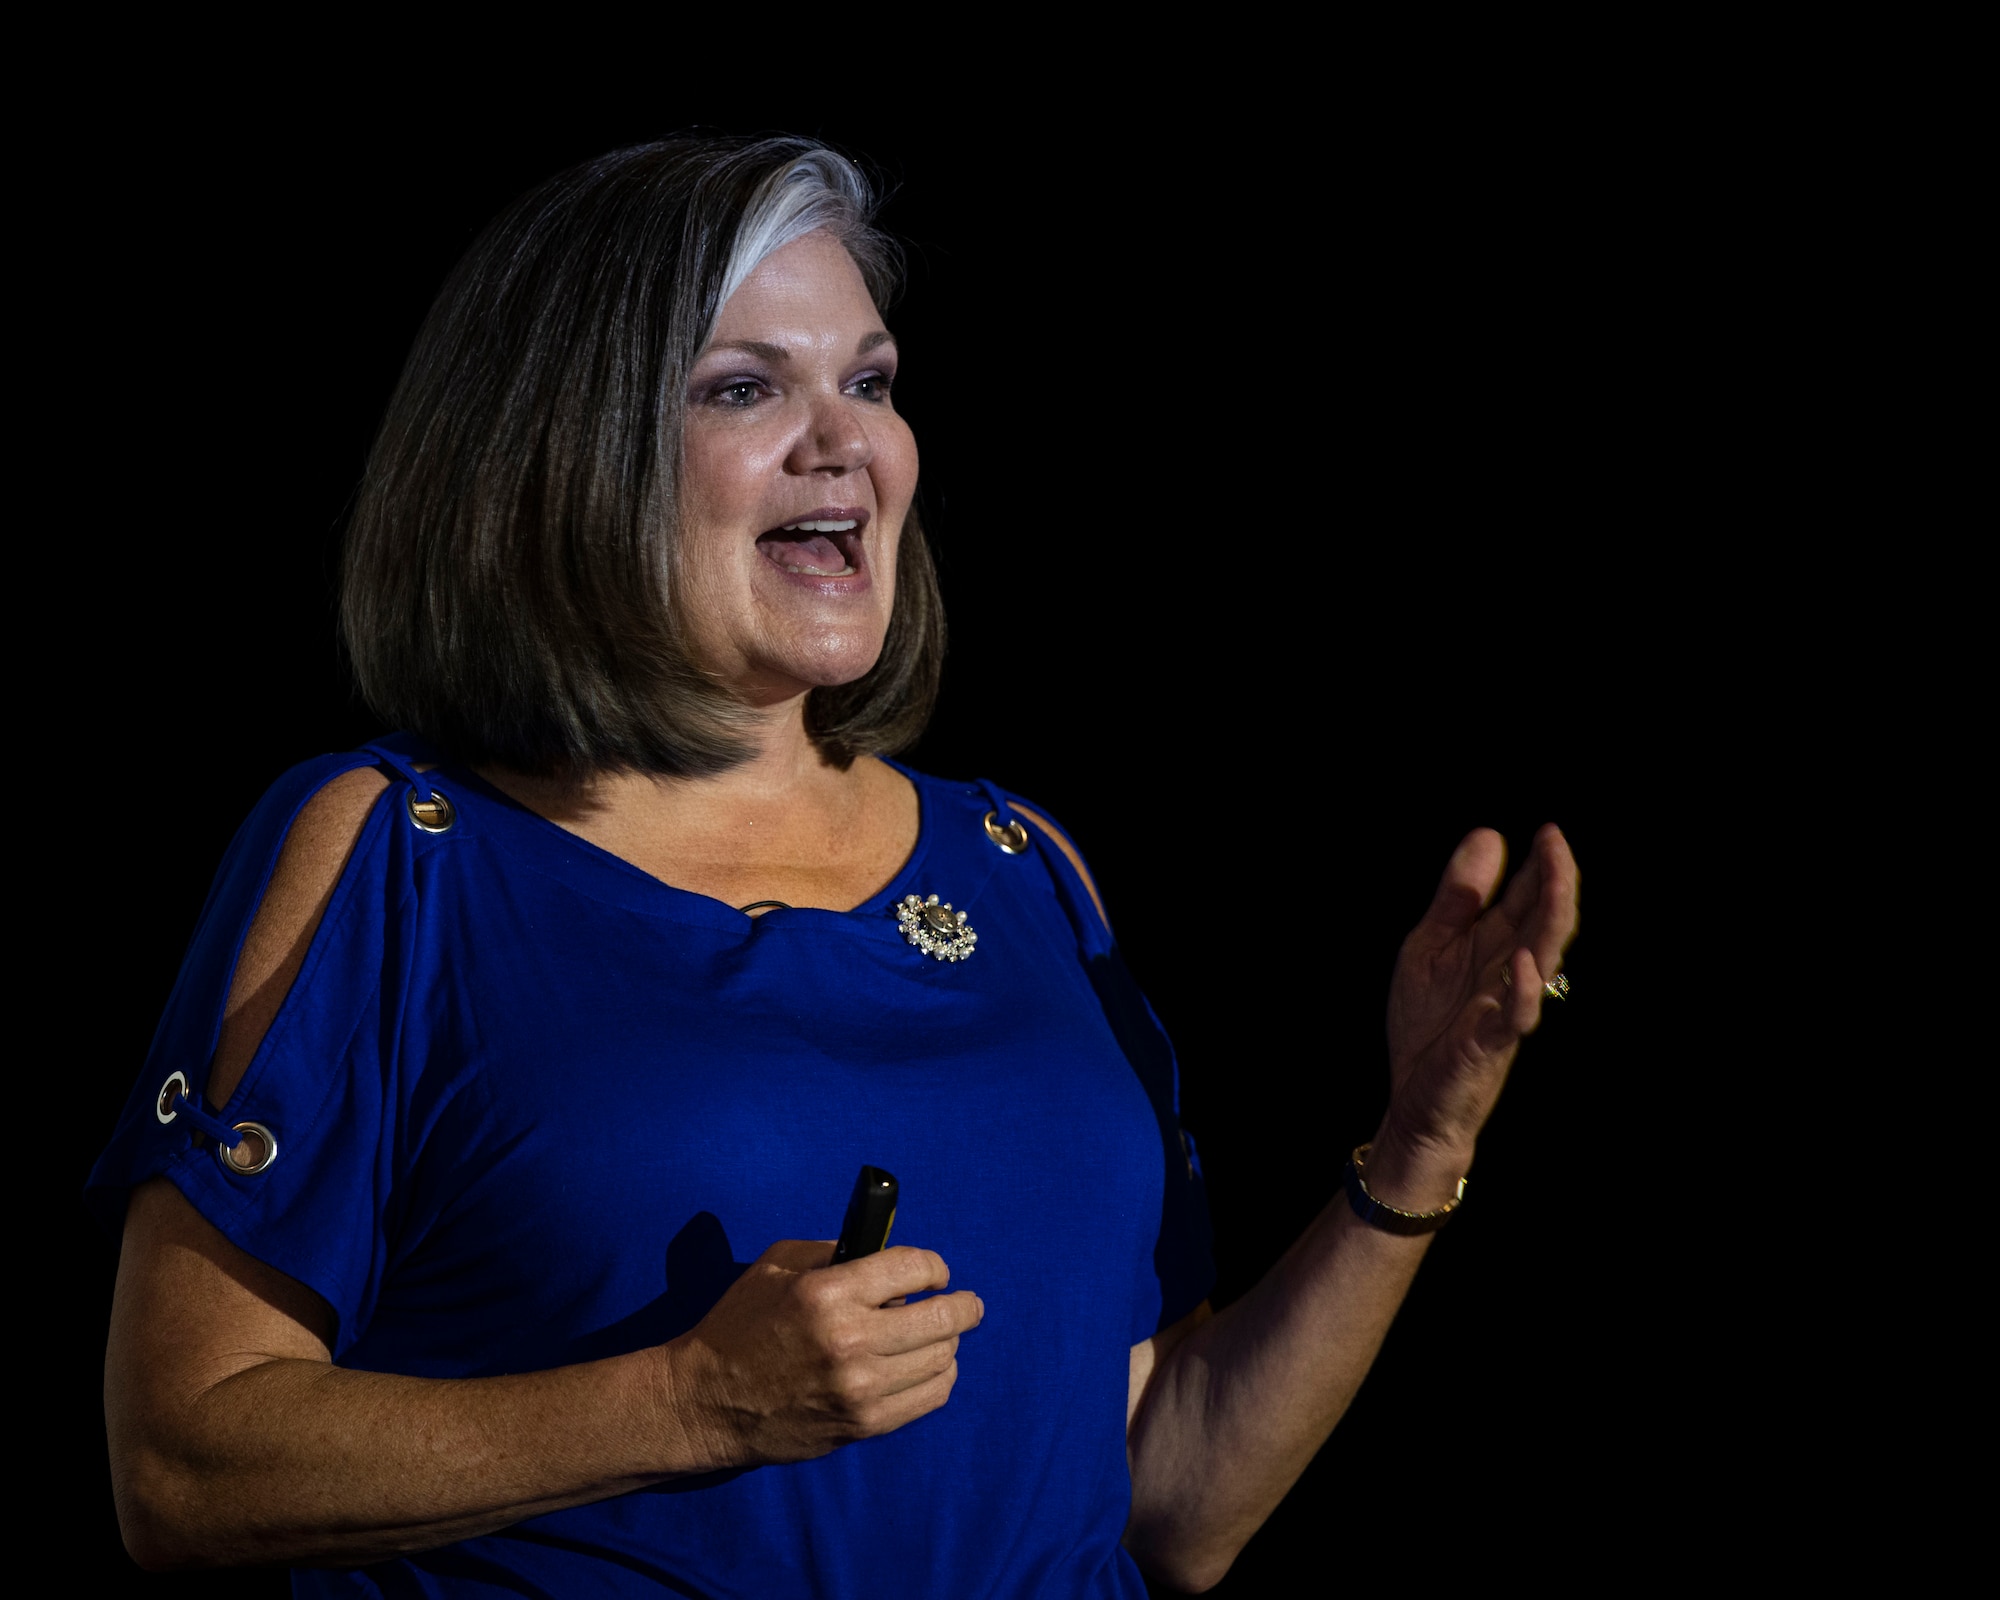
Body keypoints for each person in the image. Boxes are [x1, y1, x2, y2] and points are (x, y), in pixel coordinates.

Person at [91, 136, 1579, 1597]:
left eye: (868, 382)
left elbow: (1170, 1492)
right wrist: (693, 1404)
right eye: (747, 388)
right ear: (559, 458)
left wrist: (1416, 1152)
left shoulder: (1023, 868)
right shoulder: (395, 857)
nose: (846, 443)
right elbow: (183, 1465)